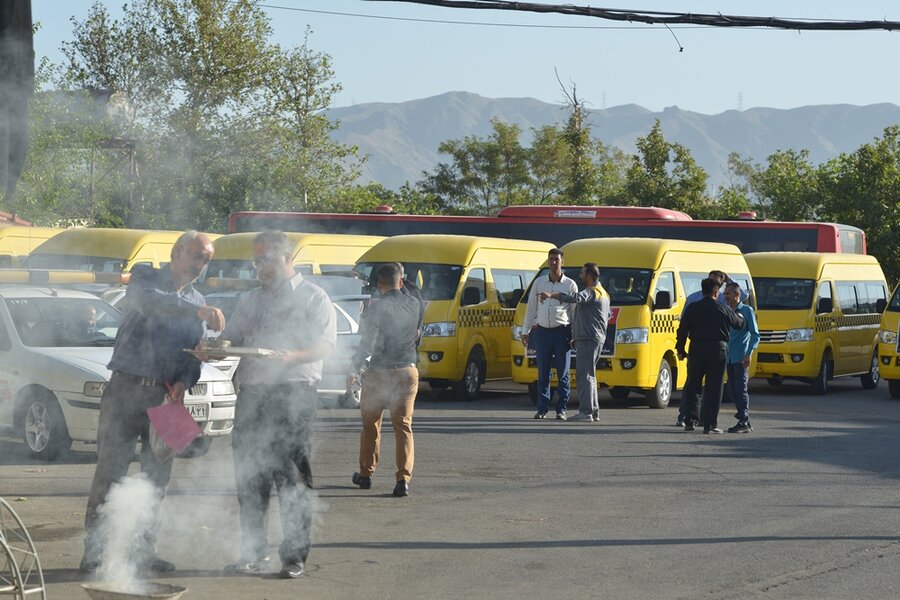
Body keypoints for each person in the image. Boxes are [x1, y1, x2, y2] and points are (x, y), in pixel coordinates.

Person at [80, 231, 224, 575]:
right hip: (125, 390)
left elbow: (194, 355)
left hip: (164, 398)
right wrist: (200, 311)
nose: (199, 266)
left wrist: (182, 381)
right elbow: (152, 302)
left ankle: (144, 550)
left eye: (205, 261)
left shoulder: (196, 298)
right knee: (110, 473)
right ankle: (95, 552)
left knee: (156, 478)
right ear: (176, 253)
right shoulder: (146, 277)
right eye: (195, 257)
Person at [221, 231, 336, 579]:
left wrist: (294, 355)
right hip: (253, 394)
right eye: (256, 261)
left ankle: (294, 556)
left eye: (267, 259)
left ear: (287, 258)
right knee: (250, 475)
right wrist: (217, 345)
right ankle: (253, 552)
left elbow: (325, 345)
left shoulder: (314, 298)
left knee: (292, 476)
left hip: (293, 393)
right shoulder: (250, 300)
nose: (260, 268)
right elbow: (235, 339)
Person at [349, 263, 422, 497]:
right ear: (401, 281)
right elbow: (410, 289)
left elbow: (368, 342)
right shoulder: (414, 304)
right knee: (403, 427)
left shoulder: (377, 309)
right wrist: (401, 276)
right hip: (407, 372)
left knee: (371, 425)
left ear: (379, 286)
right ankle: (403, 480)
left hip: (379, 373)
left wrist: (354, 367)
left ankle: (366, 475)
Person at [675, 269, 749, 428]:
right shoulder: (723, 308)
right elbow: (739, 324)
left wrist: (680, 349)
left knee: (693, 385)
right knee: (714, 387)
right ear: (716, 293)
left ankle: (690, 421)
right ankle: (710, 424)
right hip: (718, 350)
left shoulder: (692, 307)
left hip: (697, 348)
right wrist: (741, 316)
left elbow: (682, 330)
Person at [539, 262, 610, 422]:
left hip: (588, 338)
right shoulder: (603, 292)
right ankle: (594, 411)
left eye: (582, 273)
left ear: (589, 276)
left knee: (583, 375)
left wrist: (553, 295)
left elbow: (577, 298)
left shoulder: (591, 292)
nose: (580, 276)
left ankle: (585, 412)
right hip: (595, 338)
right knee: (590, 375)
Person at [522, 248, 578, 420]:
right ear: (548, 262)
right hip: (543, 332)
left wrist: (574, 335)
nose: (554, 263)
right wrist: (526, 331)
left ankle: (561, 408)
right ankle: (542, 408)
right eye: (551, 259)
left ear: (563, 262)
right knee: (543, 372)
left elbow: (575, 312)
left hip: (562, 332)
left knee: (563, 373)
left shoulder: (570, 285)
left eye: (557, 259)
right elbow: (531, 307)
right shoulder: (539, 283)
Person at [723, 281, 760, 433]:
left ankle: (743, 421)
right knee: (732, 389)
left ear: (737, 295)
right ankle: (744, 418)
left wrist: (748, 353)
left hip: (741, 356)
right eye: (725, 294)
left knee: (740, 389)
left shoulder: (746, 311)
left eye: (728, 294)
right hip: (729, 356)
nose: (726, 297)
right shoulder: (726, 310)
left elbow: (755, 334)